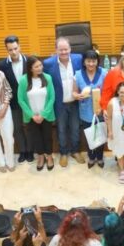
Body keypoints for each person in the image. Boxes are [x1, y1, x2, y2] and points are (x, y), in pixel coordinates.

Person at [43, 37, 84, 168]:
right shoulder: (48, 64)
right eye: (61, 50)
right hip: (59, 103)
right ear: (56, 50)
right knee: (61, 130)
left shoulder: (79, 59)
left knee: (75, 128)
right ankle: (64, 153)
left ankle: (75, 151)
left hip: (75, 102)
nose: (64, 52)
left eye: (66, 49)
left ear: (70, 49)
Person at [18, 56, 56, 171]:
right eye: (36, 66)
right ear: (30, 68)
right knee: (36, 138)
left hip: (46, 116)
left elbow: (51, 98)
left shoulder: (47, 78)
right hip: (31, 117)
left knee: (47, 137)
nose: (40, 68)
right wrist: (32, 115)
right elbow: (21, 100)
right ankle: (40, 157)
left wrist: (43, 114)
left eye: (40, 65)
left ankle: (49, 157)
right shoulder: (24, 80)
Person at [0, 35, 32, 164]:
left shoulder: (29, 61)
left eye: (15, 48)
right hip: (13, 103)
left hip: (29, 101)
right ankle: (22, 151)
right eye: (10, 50)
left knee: (28, 127)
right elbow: (2, 85)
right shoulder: (2, 65)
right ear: (7, 50)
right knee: (17, 128)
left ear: (19, 47)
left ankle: (30, 150)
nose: (13, 52)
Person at [72, 50, 107, 169]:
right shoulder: (77, 75)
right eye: (88, 61)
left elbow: (108, 92)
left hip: (101, 110)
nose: (91, 64)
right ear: (84, 62)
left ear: (97, 61)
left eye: (93, 61)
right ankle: (91, 157)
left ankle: (100, 157)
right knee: (89, 135)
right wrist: (77, 96)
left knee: (101, 134)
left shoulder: (104, 73)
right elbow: (74, 92)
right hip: (85, 110)